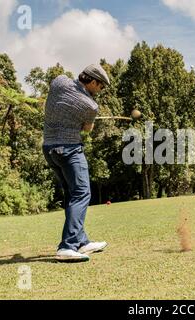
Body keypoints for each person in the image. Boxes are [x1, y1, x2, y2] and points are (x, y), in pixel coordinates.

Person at [42, 64, 110, 262]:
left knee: (72, 194)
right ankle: (67, 246)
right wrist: (89, 119)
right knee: (81, 193)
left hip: (49, 149)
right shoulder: (90, 105)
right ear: (93, 81)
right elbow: (87, 129)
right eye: (101, 86)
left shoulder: (59, 81)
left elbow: (58, 101)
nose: (101, 90)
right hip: (69, 150)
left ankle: (82, 241)